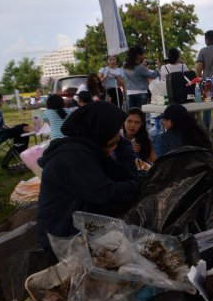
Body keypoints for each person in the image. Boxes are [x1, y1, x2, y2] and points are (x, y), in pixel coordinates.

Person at [36, 102, 140, 254]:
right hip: (62, 239)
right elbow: (106, 193)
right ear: (100, 128)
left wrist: (123, 147)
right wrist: (137, 186)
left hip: (76, 222)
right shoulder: (74, 156)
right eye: (115, 130)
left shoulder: (88, 148)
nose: (119, 135)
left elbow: (123, 175)